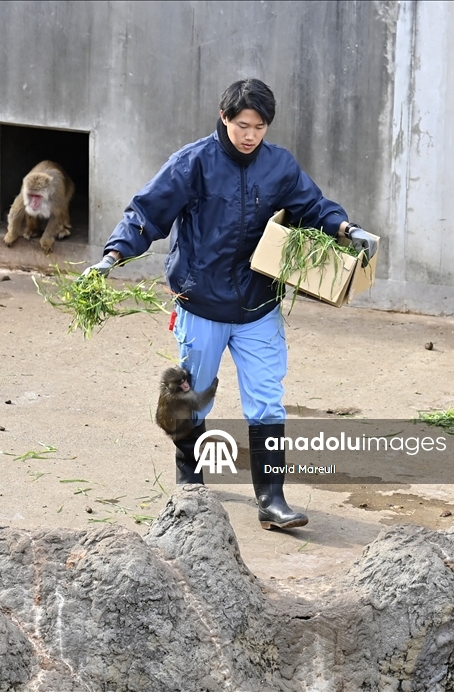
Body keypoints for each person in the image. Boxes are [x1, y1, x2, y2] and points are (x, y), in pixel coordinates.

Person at [87, 78, 377, 530]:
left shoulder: (279, 166)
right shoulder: (193, 163)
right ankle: (190, 484)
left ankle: (272, 500)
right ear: (224, 118)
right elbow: (147, 212)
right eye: (243, 125)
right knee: (193, 395)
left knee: (266, 401)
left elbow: (313, 207)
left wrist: (346, 228)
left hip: (258, 304)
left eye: (259, 127)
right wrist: (113, 255)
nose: (250, 135)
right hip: (201, 301)